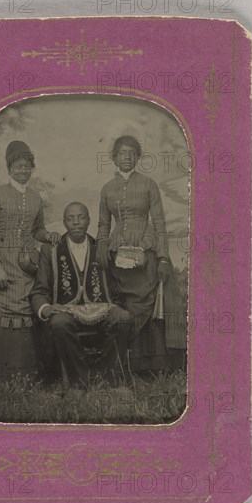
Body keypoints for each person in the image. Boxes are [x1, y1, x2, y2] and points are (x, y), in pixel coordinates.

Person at [0, 140, 61, 411]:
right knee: (3, 314)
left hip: (26, 264)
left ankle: (24, 377)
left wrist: (47, 235)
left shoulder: (36, 197)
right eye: (17, 166)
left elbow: (37, 230)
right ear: (9, 167)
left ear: (32, 168)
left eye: (27, 165)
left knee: (27, 311)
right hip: (0, 261)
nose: (23, 170)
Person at [96, 135, 186, 370]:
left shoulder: (149, 184)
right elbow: (103, 224)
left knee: (149, 305)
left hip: (146, 251)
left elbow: (159, 224)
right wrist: (102, 246)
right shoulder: (106, 189)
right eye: (122, 153)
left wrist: (164, 257)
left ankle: (151, 366)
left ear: (137, 157)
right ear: (114, 158)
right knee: (121, 307)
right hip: (117, 255)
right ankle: (125, 366)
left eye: (131, 153)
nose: (126, 157)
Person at [30, 202, 131, 387]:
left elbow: (114, 286)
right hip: (66, 310)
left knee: (122, 317)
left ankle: (107, 376)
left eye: (81, 217)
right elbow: (39, 290)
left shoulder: (101, 247)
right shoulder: (50, 250)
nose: (76, 223)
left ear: (89, 220)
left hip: (100, 307)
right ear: (64, 222)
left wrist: (115, 303)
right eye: (70, 218)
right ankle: (79, 380)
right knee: (59, 323)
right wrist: (45, 308)